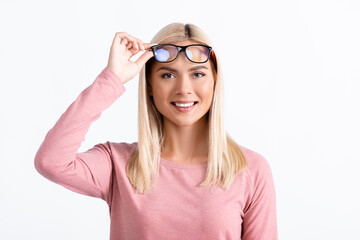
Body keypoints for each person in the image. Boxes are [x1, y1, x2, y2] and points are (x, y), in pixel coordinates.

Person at [34, 22, 278, 240]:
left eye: (198, 74)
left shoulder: (251, 170)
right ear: (150, 85)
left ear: (215, 81)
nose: (184, 88)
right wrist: (113, 79)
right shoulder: (118, 165)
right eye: (168, 74)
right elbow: (51, 161)